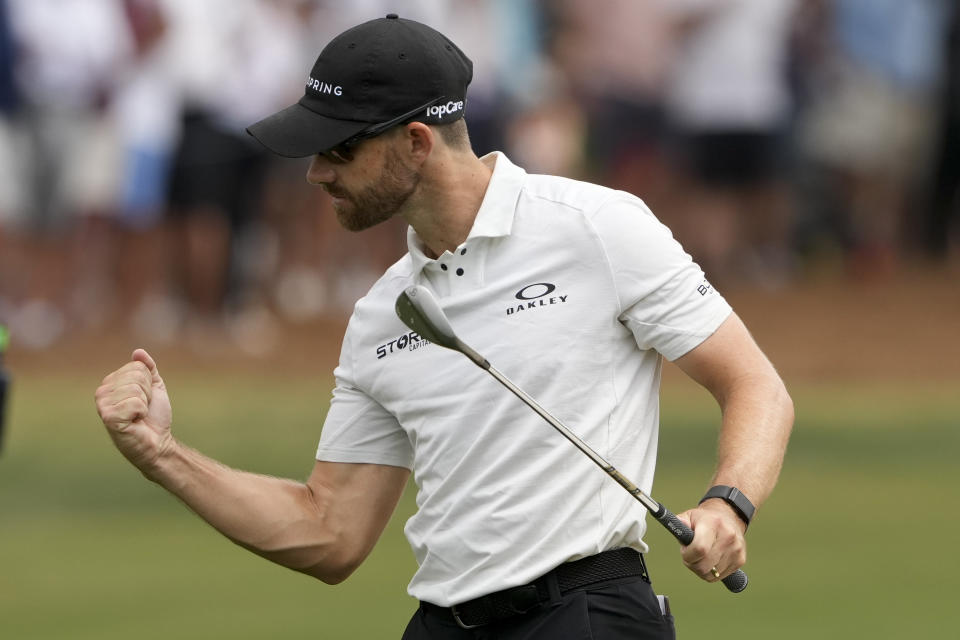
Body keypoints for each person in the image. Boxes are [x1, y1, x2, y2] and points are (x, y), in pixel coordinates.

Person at [95, 14, 794, 639]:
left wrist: (728, 505)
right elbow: (328, 533)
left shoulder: (598, 228)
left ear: (417, 142)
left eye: (338, 151)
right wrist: (162, 454)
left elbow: (755, 385)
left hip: (585, 616)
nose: (314, 174)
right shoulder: (380, 315)